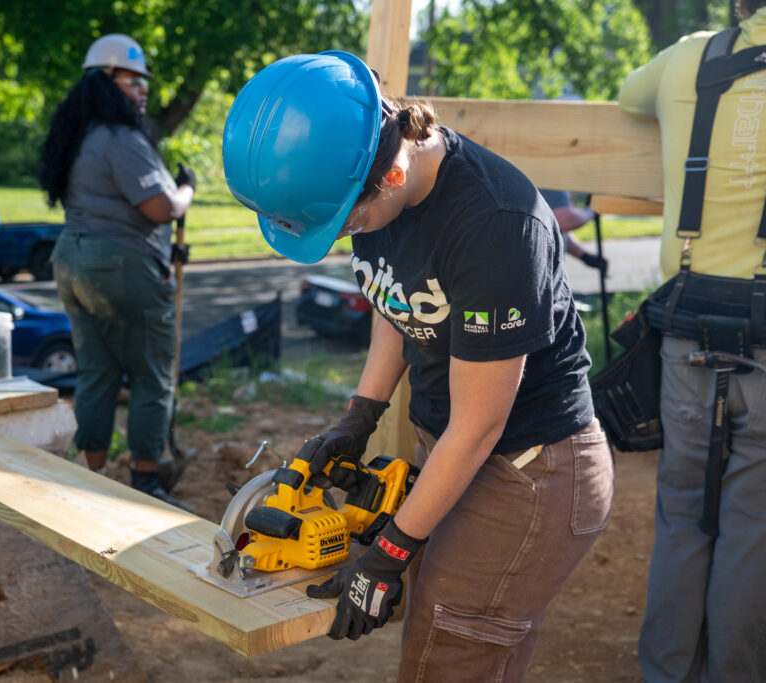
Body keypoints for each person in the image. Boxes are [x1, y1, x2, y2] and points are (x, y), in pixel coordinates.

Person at [222, 51, 613, 681]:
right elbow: (395, 295)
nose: (348, 234)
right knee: (462, 648)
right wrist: (360, 417)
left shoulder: (495, 227)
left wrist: (389, 552)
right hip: (459, 453)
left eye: (348, 220)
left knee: (446, 657)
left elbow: (480, 424)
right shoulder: (371, 189)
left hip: (526, 472)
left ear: (393, 175)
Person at [618, 3, 766, 679]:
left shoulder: (691, 57)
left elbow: (626, 96)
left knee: (681, 517)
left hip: (686, 327)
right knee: (751, 528)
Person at [38, 34, 196, 511]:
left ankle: (91, 478)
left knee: (97, 372)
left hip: (71, 261)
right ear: (105, 81)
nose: (142, 90)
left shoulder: (78, 138)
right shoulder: (119, 138)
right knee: (151, 374)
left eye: (143, 82)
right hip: (121, 264)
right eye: (132, 81)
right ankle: (147, 483)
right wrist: (187, 189)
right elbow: (160, 207)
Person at [538, 189, 608, 275]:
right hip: (539, 270)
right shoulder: (552, 180)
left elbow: (554, 231)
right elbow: (563, 219)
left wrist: (584, 256)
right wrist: (590, 212)